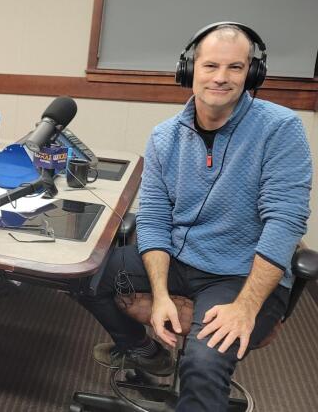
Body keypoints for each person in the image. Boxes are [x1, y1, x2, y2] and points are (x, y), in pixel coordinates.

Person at [75, 23, 311, 411]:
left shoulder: (280, 129)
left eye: (235, 68)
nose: (221, 77)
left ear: (252, 73)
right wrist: (162, 294)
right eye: (211, 66)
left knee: (202, 364)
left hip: (239, 273)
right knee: (83, 273)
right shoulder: (165, 136)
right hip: (180, 260)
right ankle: (143, 351)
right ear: (189, 70)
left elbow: (284, 222)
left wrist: (246, 306)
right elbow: (152, 219)